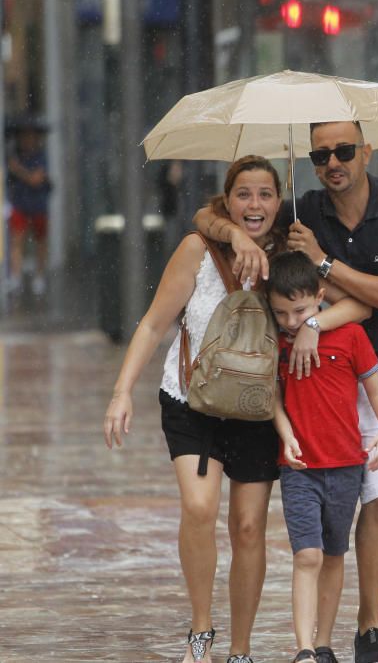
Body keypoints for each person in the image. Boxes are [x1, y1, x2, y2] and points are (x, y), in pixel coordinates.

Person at [194, 120, 378, 663]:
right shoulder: (303, 211)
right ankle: (368, 625)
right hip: (360, 373)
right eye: (320, 154)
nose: (332, 162)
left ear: (365, 150)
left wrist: (321, 268)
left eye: (342, 150)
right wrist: (240, 235)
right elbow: (211, 214)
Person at [103, 156, 305, 663]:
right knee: (198, 508)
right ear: (228, 198)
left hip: (258, 407)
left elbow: (314, 303)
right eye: (243, 194)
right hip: (190, 399)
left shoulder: (289, 253)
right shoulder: (198, 247)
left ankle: (240, 648)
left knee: (248, 527)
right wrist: (121, 391)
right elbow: (152, 324)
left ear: (278, 201)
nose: (254, 205)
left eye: (264, 194)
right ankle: (200, 629)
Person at [266, 251, 378, 663]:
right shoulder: (277, 342)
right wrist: (285, 435)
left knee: (335, 553)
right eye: (282, 313)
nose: (291, 321)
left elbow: (376, 390)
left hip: (345, 466)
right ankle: (303, 649)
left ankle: (323, 644)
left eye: (300, 310)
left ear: (321, 296)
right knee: (308, 554)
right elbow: (272, 397)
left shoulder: (351, 336)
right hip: (299, 468)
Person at [5, 116, 51, 296]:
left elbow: (36, 179)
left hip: (38, 204)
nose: (27, 140)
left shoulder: (41, 156)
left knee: (40, 242)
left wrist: (18, 170)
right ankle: (16, 277)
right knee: (17, 241)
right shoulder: (16, 155)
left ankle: (39, 276)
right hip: (20, 204)